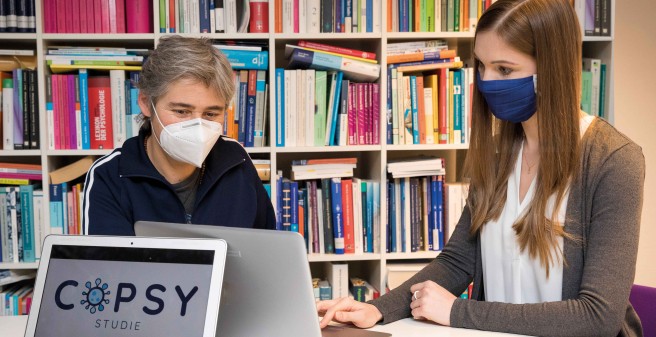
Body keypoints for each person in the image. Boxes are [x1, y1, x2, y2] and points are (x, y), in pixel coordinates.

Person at [317, 0, 645, 336]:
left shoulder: (615, 161)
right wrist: (376, 309)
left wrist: (459, 311)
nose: (487, 83)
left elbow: (597, 317)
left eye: (504, 69)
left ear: (553, 68)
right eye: (482, 66)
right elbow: (457, 262)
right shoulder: (499, 150)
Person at [82, 35, 276, 235]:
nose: (198, 127)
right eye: (181, 111)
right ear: (146, 103)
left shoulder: (237, 161)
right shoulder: (110, 175)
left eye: (211, 114)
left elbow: (267, 249)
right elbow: (106, 264)